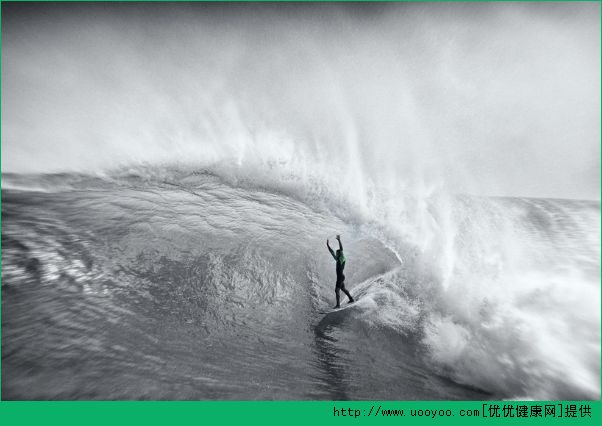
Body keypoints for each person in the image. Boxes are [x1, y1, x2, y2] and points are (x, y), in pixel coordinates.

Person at [326, 234, 354, 308]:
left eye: (337, 253)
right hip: (341, 276)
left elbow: (341, 249)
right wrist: (328, 245)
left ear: (340, 254)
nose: (336, 253)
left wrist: (339, 240)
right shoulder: (337, 259)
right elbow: (331, 252)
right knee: (343, 289)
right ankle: (351, 299)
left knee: (337, 290)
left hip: (340, 277)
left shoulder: (341, 259)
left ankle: (338, 305)